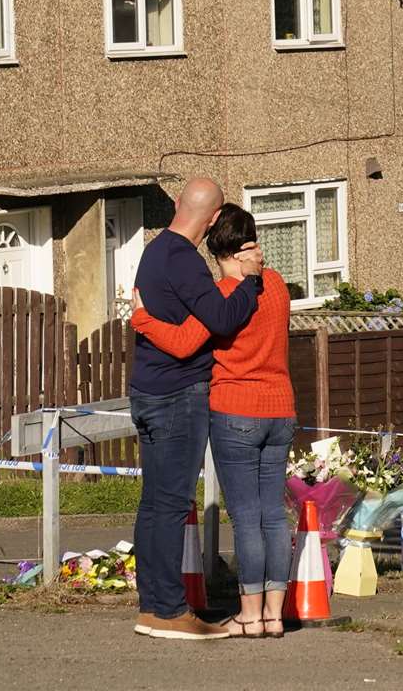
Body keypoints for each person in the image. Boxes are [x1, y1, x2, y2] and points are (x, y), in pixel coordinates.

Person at [132, 204, 295, 639]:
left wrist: (142, 318)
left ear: (212, 242)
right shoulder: (276, 284)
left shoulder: (225, 293)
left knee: (245, 517)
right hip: (281, 408)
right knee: (274, 516)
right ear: (251, 244)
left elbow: (186, 341)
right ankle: (276, 614)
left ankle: (249, 614)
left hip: (237, 407)